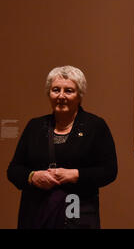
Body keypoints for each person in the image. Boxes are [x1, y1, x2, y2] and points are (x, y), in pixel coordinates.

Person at [7, 66, 118, 229]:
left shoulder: (95, 126)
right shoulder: (35, 126)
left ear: (79, 95)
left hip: (77, 214)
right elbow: (14, 169)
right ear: (49, 93)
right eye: (56, 90)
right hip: (36, 214)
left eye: (69, 91)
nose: (61, 96)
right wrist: (32, 177)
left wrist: (76, 175)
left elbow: (109, 171)